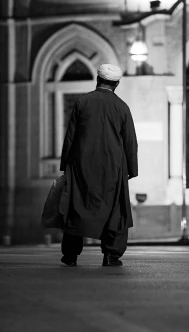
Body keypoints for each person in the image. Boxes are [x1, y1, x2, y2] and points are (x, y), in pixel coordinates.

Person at [59, 63, 138, 268]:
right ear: (117, 83)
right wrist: (131, 168)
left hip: (82, 165)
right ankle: (111, 255)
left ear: (98, 79)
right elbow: (130, 140)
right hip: (113, 166)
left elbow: (71, 136)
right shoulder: (122, 107)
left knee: (77, 206)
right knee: (115, 210)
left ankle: (70, 255)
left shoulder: (82, 102)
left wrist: (65, 164)